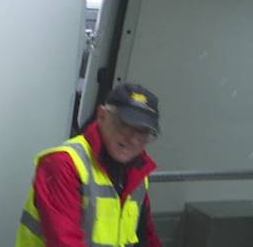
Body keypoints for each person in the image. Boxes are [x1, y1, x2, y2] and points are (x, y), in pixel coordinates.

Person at [17, 83, 162, 247]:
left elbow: (146, 237)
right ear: (102, 116)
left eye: (142, 131)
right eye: (125, 125)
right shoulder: (64, 164)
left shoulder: (137, 172)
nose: (133, 139)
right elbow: (65, 242)